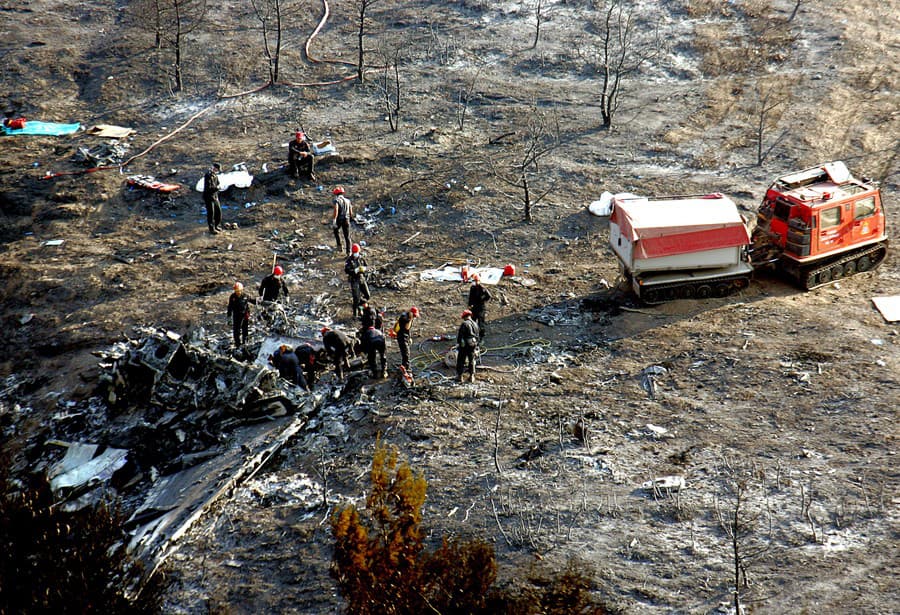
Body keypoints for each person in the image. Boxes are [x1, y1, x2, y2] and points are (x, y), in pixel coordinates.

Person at [344, 244, 371, 318]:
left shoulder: (361, 258)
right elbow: (347, 270)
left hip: (361, 278)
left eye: (357, 252)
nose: (356, 254)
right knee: (356, 299)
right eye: (355, 253)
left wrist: (364, 269)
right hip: (354, 280)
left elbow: (367, 266)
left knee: (367, 295)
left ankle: (361, 307)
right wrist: (355, 271)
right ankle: (355, 314)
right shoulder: (349, 260)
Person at [227, 282, 256, 348]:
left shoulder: (245, 296)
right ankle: (237, 344)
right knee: (236, 330)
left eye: (239, 291)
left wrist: (260, 302)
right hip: (236, 316)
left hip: (245, 315)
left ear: (241, 290)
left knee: (245, 330)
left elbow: (253, 301)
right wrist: (229, 317)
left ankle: (245, 343)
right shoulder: (232, 297)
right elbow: (230, 307)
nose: (238, 292)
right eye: (236, 291)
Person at [467, 273, 492, 344]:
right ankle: (473, 336)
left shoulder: (482, 289)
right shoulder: (472, 288)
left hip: (481, 308)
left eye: (476, 281)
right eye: (474, 281)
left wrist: (483, 299)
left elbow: (489, 296)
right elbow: (470, 298)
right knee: (473, 323)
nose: (475, 282)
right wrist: (469, 306)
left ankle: (481, 338)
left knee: (481, 324)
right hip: (474, 308)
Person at [456, 309, 479, 383]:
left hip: (465, 344)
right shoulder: (475, 324)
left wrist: (459, 343)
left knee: (461, 360)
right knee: (471, 360)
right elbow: (477, 335)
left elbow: (460, 336)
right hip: (473, 343)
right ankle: (472, 376)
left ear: (464, 317)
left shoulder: (464, 324)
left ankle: (460, 376)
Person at [394, 306, 419, 371]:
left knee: (406, 354)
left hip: (404, 337)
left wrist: (409, 338)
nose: (414, 317)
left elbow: (408, 330)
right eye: (414, 316)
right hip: (402, 338)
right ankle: (407, 369)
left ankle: (404, 366)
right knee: (406, 355)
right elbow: (407, 328)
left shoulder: (408, 317)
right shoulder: (405, 320)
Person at [331, 186, 353, 255]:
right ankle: (348, 252)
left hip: (339, 219)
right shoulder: (348, 201)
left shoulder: (336, 200)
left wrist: (334, 219)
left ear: (336, 194)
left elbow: (336, 210)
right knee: (347, 236)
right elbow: (351, 211)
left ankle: (339, 246)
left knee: (336, 231)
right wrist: (351, 218)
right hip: (346, 219)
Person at [203, 163, 222, 235]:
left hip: (215, 196)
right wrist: (217, 188)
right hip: (208, 196)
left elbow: (218, 183)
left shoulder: (215, 175)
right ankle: (211, 228)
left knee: (218, 212)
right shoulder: (208, 175)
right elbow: (209, 188)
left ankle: (216, 225)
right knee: (211, 213)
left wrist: (218, 187)